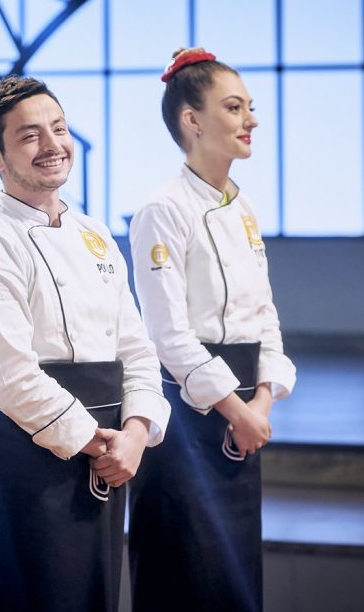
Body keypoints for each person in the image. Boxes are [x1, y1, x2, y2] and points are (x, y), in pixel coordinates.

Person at [0, 75, 171, 612]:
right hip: (26, 462)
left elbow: (136, 348)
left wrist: (136, 433)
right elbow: (10, 375)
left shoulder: (95, 235)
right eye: (30, 136)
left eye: (59, 128)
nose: (52, 145)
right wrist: (99, 443)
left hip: (107, 455)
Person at [127, 48, 298, 612]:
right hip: (185, 418)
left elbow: (265, 315)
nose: (251, 120)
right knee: (184, 575)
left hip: (245, 415)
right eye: (234, 107)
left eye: (250, 107)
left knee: (236, 579)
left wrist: (261, 404)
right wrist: (237, 411)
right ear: (191, 120)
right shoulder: (162, 209)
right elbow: (167, 335)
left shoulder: (243, 207)